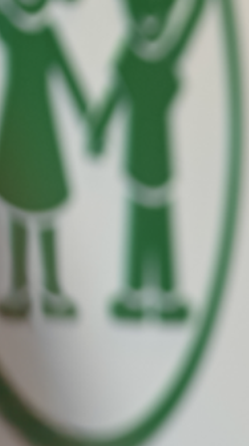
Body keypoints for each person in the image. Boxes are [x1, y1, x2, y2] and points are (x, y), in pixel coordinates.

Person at [88, 0, 210, 324]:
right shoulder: (130, 56)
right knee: (140, 225)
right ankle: (134, 292)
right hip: (138, 153)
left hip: (161, 153)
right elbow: (113, 96)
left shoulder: (167, 54)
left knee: (160, 224)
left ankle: (166, 294)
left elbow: (189, 26)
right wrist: (98, 129)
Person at [0, 0, 87, 321]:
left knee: (46, 211)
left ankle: (52, 288)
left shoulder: (46, 35)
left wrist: (89, 119)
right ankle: (19, 288)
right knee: (16, 210)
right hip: (16, 130)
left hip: (42, 132)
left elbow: (68, 76)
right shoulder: (11, 30)